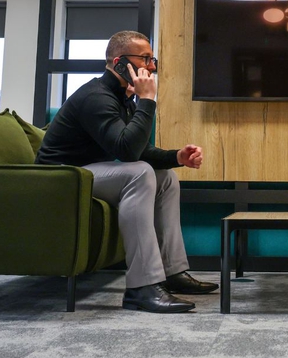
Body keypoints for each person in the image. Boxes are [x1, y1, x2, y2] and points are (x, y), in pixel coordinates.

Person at [36, 30, 216, 313]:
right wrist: (147, 100)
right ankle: (141, 288)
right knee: (139, 173)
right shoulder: (96, 97)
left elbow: (138, 149)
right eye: (145, 58)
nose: (152, 67)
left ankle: (172, 273)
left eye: (152, 59)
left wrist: (177, 157)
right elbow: (128, 153)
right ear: (120, 62)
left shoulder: (121, 98)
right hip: (60, 178)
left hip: (85, 173)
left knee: (166, 178)